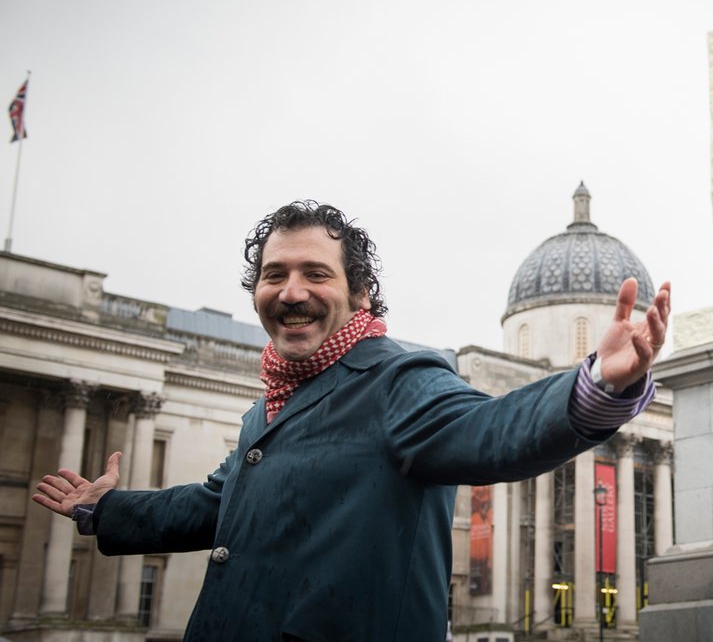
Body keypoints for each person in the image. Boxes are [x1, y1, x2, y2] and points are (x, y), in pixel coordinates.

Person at [32, 201, 671, 641]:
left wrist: (595, 384)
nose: (291, 290)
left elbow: (496, 432)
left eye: (316, 273)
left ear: (360, 294)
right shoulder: (269, 407)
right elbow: (214, 505)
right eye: (274, 274)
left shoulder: (400, 379)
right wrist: (105, 510)